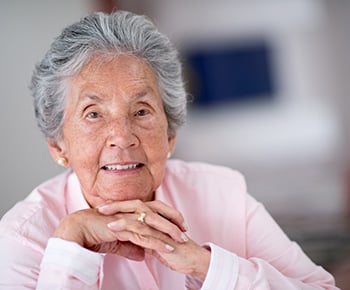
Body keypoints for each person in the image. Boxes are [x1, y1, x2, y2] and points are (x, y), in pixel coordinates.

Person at [0, 10, 338, 290]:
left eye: (142, 111)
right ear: (58, 145)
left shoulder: (223, 193)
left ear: (171, 134)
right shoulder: (23, 238)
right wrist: (70, 250)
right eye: (93, 114)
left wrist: (207, 266)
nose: (123, 136)